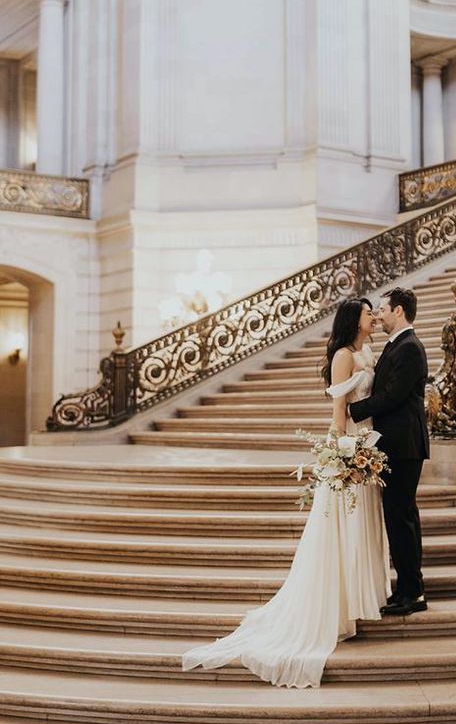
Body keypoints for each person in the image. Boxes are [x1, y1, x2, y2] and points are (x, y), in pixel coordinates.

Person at [181, 296, 390, 687]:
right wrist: (342, 453)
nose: (373, 316)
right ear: (354, 320)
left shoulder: (370, 349)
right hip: (351, 445)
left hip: (370, 440)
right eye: (367, 313)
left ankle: (357, 599)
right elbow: (338, 411)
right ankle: (335, 606)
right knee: (342, 526)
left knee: (361, 521)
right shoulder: (343, 355)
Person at [348, 287, 429, 617]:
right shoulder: (397, 344)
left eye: (383, 309)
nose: (378, 314)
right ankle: (406, 589)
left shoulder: (409, 347)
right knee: (398, 517)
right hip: (394, 443)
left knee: (402, 516)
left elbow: (394, 395)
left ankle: (413, 591)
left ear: (399, 311)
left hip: (404, 445)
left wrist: (354, 411)